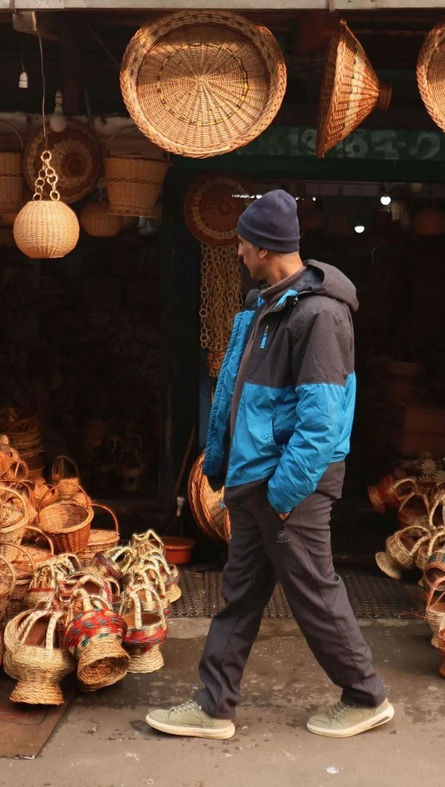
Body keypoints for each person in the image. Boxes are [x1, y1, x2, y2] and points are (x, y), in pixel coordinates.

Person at [145, 189, 392, 741]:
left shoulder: (321, 315)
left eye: (241, 244)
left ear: (262, 246)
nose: (237, 253)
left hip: (291, 486)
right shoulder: (270, 305)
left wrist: (282, 494)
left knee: (314, 593)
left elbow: (322, 421)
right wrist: (227, 465)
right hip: (257, 481)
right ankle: (213, 707)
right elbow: (245, 395)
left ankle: (365, 695)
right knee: (240, 596)